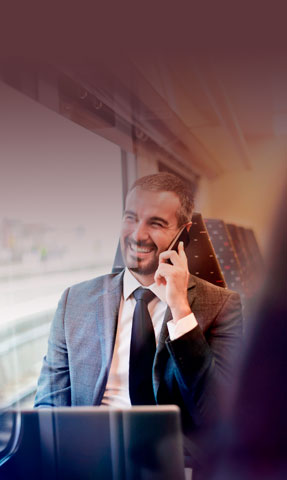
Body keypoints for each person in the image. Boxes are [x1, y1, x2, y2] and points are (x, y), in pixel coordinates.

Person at [34, 172, 243, 469]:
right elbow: (48, 407)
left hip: (177, 463)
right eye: (130, 218)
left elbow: (219, 415)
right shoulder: (74, 301)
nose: (137, 234)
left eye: (156, 223)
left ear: (183, 232)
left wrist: (181, 310)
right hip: (92, 459)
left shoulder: (220, 305)